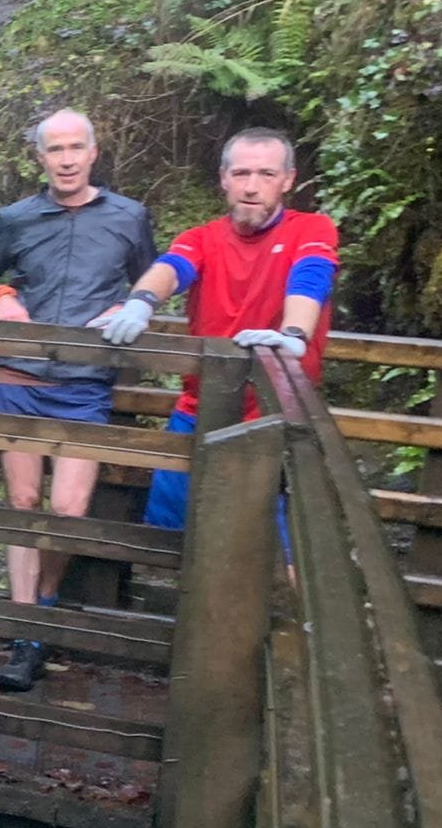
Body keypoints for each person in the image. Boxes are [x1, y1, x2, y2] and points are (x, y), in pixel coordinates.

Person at [0, 109, 157, 693]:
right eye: (56, 149)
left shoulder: (128, 216)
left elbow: (154, 281)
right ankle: (25, 635)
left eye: (77, 147)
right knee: (24, 503)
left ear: (94, 152)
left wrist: (129, 307)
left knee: (69, 513)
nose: (67, 158)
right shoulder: (17, 218)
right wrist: (0, 298)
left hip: (86, 383)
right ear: (41, 157)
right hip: (20, 377)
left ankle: (42, 608)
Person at [96, 128, 338, 530]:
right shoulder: (203, 238)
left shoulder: (310, 230)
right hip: (199, 410)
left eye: (266, 174)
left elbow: (311, 275)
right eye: (241, 173)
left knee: (278, 548)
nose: (251, 187)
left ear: (288, 180)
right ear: (224, 178)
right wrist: (139, 304)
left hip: (277, 415)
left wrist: (294, 334)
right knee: (168, 534)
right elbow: (171, 269)